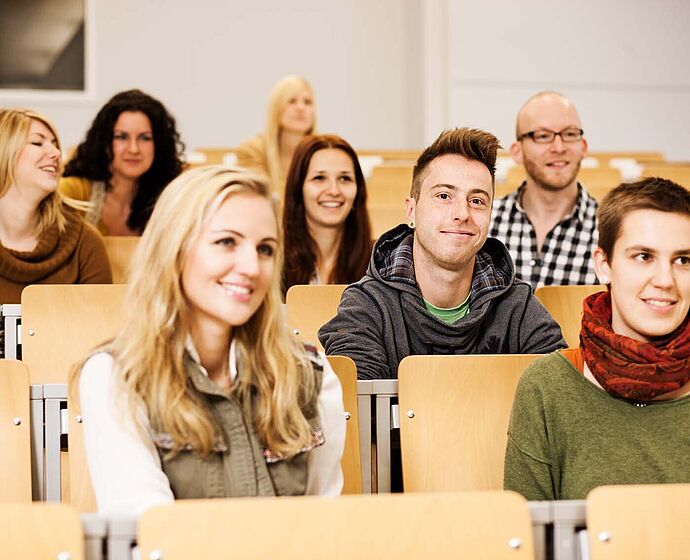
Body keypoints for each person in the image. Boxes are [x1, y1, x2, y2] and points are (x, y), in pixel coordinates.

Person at [77, 165, 345, 515]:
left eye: (265, 249)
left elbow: (324, 525)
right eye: (226, 242)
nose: (251, 266)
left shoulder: (310, 371)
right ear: (174, 248)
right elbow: (149, 532)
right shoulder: (116, 376)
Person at [319, 127, 566, 380]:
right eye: (444, 195)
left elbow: (561, 391)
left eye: (477, 200)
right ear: (412, 210)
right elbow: (355, 406)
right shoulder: (368, 306)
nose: (462, 213)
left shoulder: (517, 305)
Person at [504, 178, 690, 501]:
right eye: (644, 256)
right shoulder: (547, 388)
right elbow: (526, 542)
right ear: (603, 265)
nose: (665, 280)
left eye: (683, 260)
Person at [0, 108, 112, 304]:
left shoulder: (84, 242)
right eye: (37, 142)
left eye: (55, 145)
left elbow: (102, 329)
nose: (56, 153)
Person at [490, 91, 598, 288]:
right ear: (517, 151)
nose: (558, 147)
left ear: (583, 147)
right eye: (543, 136)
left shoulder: (610, 230)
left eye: (570, 134)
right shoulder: (485, 222)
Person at [60, 89, 185, 235]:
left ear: (159, 144)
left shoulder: (173, 200)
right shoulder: (73, 192)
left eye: (145, 138)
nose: (133, 149)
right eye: (121, 137)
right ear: (105, 142)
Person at [282, 134, 372, 295]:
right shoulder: (273, 261)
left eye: (345, 178)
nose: (334, 191)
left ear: (358, 190)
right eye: (319, 178)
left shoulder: (380, 262)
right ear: (298, 188)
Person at [235, 75, 316, 196]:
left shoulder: (323, 153)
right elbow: (257, 201)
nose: (301, 108)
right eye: (292, 101)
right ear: (276, 108)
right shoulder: (251, 151)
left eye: (307, 102)